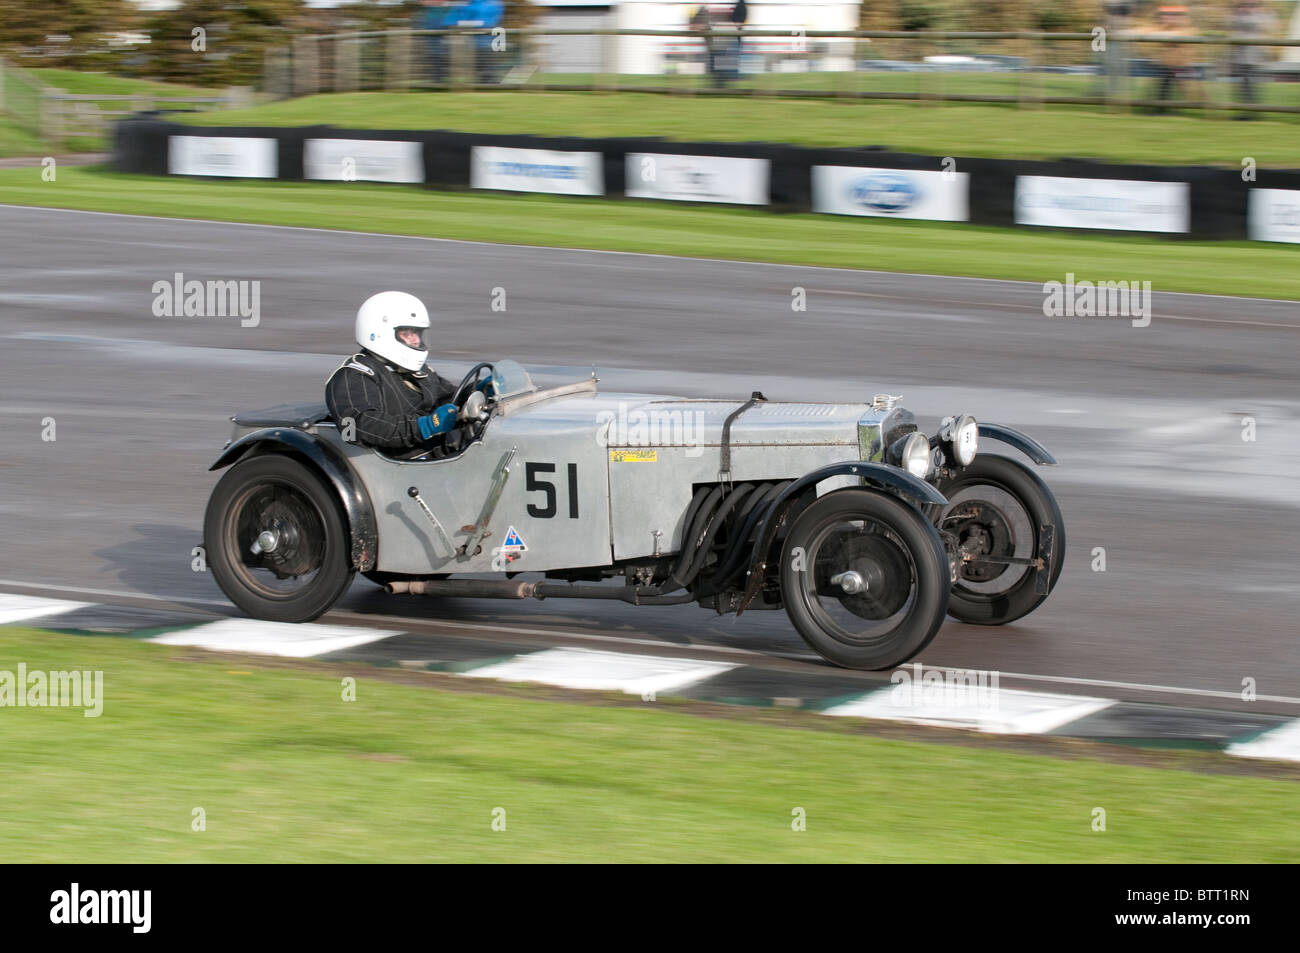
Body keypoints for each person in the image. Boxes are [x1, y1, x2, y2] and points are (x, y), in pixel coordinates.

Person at [325, 291, 462, 454]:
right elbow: (361, 426)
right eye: (407, 334)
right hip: (401, 464)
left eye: (417, 333)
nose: (416, 340)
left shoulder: (414, 371)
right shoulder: (354, 376)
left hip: (433, 453)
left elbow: (448, 396)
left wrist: (479, 390)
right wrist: (424, 426)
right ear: (380, 332)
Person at [1228, 0, 1278, 118]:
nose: (1247, 7)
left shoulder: (1260, 17)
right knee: (1243, 86)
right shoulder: (1238, 16)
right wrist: (1238, 12)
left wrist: (1242, 13)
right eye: (1244, 5)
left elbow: (1256, 24)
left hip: (1254, 57)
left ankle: (1254, 113)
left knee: (1252, 86)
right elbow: (1230, 24)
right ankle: (1246, 112)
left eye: (1250, 5)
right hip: (1240, 57)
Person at [1147, 5, 1195, 113]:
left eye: (1172, 15)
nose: (1167, 18)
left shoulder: (1185, 29)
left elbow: (1178, 35)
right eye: (1166, 15)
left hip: (1180, 65)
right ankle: (1160, 109)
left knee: (1191, 92)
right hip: (1167, 64)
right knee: (1163, 87)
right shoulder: (1164, 28)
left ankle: (1206, 108)